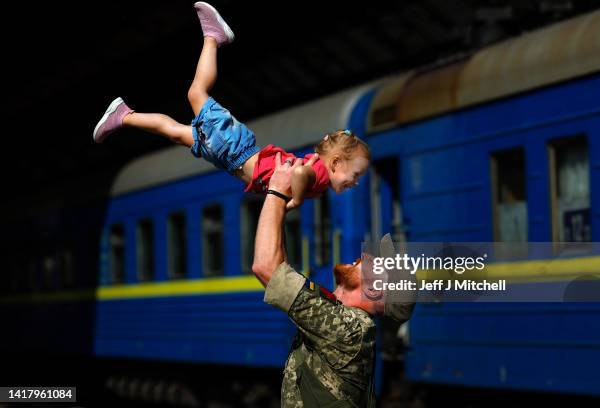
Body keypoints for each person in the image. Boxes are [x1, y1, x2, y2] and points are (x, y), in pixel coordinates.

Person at [92, 2, 370, 210]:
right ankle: (214, 37)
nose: (354, 182)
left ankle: (124, 115)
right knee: (196, 93)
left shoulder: (320, 180)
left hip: (228, 157)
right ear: (334, 163)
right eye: (354, 174)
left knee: (176, 133)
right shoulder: (319, 176)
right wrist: (295, 200)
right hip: (235, 148)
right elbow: (299, 172)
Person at [251, 154, 416, 407]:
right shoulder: (344, 318)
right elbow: (279, 267)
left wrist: (276, 191)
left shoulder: (347, 329)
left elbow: (266, 268)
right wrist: (280, 208)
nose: (364, 256)